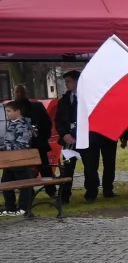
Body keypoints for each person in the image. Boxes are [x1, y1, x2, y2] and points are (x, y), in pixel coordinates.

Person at [11, 85, 54, 196]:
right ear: (13, 93)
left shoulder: (37, 106)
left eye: (21, 91)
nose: (19, 94)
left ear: (27, 93)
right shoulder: (11, 109)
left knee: (45, 169)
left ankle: (51, 191)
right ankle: (28, 193)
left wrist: (42, 137)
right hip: (20, 146)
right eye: (17, 92)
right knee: (23, 171)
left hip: (38, 143)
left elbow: (47, 123)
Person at [2, 99, 36, 217]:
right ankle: (10, 208)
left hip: (20, 160)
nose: (7, 114)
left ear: (18, 111)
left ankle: (23, 207)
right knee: (5, 183)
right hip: (11, 161)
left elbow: (22, 145)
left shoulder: (22, 125)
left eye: (9, 111)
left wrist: (4, 148)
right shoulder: (13, 123)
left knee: (24, 184)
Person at [54, 70, 80, 204]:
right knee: (68, 167)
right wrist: (64, 134)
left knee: (90, 167)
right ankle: (64, 196)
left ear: (77, 81)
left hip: (84, 139)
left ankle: (91, 193)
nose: (66, 84)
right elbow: (58, 120)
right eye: (65, 82)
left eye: (68, 81)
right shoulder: (64, 100)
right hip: (68, 140)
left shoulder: (87, 98)